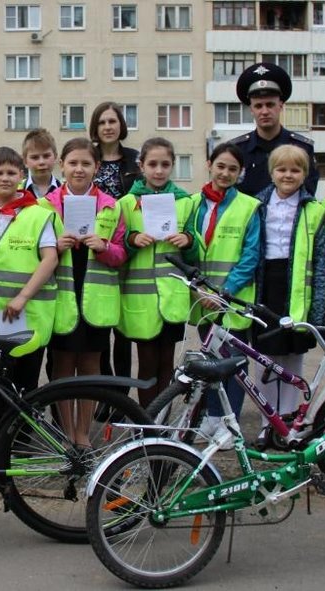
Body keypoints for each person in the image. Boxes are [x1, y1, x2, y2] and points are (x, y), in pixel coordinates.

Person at [42, 138, 125, 448]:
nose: (79, 169)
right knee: (61, 367)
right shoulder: (45, 205)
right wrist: (54, 248)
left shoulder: (111, 206)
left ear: (97, 168)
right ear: (62, 165)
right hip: (61, 298)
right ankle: (66, 432)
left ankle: (83, 433)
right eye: (73, 163)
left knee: (90, 367)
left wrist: (104, 248)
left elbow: (120, 255)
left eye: (86, 163)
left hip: (94, 301)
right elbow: (35, 255)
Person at [0, 147, 59, 422]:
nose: (5, 178)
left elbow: (50, 259)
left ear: (21, 175)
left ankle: (20, 437)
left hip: (23, 313)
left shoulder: (38, 214)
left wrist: (23, 296)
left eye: (11, 172)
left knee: (24, 380)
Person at [252, 144, 325, 449]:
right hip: (266, 286)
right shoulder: (258, 205)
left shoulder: (314, 210)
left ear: (305, 175)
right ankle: (265, 422)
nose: (288, 175)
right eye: (282, 169)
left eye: (295, 170)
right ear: (272, 172)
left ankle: (287, 422)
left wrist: (318, 309)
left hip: (298, 290)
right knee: (266, 358)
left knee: (292, 359)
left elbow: (321, 260)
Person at [188, 142, 261, 449]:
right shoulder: (192, 204)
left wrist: (225, 292)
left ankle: (231, 426)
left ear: (240, 173)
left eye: (233, 169)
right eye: (221, 166)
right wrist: (201, 288)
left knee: (235, 365)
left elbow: (251, 254)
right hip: (204, 300)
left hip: (234, 299)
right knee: (211, 361)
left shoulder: (249, 206)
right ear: (209, 165)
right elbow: (187, 248)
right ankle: (213, 417)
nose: (226, 173)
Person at [116, 138, 195, 408]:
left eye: (165, 164)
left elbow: (195, 246)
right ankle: (147, 422)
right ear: (141, 166)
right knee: (147, 365)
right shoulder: (127, 203)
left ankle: (161, 423)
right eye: (152, 164)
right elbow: (117, 243)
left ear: (172, 165)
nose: (158, 170)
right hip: (140, 300)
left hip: (172, 296)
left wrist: (188, 238)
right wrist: (132, 238)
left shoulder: (185, 202)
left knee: (167, 365)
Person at [88, 101, 143, 383]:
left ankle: (120, 391)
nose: (108, 127)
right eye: (102, 122)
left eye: (112, 121)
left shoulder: (136, 159)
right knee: (99, 328)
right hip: (92, 251)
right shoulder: (88, 157)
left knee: (122, 331)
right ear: (95, 128)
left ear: (121, 125)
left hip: (126, 248)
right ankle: (105, 390)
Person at [232, 62, 318, 197]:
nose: (265, 111)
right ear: (251, 110)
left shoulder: (302, 147)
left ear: (281, 105)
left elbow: (308, 193)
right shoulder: (237, 149)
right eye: (258, 106)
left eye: (270, 105)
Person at [21, 128, 62, 198]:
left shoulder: (65, 192)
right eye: (35, 157)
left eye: (46, 156)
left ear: (55, 157)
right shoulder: (17, 192)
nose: (41, 162)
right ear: (25, 161)